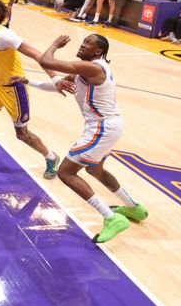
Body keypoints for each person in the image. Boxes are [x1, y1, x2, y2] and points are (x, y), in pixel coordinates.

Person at [32, 34, 148, 243]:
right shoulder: (87, 68)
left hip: (101, 128)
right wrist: (26, 81)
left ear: (98, 51)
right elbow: (57, 85)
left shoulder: (93, 68)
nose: (82, 45)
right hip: (110, 125)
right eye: (83, 41)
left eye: (87, 44)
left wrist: (55, 44)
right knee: (95, 169)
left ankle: (111, 218)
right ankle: (134, 208)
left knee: (66, 172)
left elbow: (46, 61)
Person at [0, 0, 61, 179]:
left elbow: (35, 54)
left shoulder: (4, 35)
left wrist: (55, 78)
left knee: (22, 134)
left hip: (15, 89)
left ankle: (51, 157)